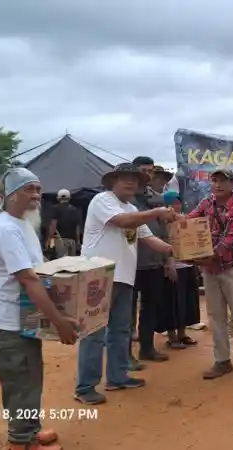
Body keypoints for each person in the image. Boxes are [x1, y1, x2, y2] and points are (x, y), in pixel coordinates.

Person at [0, 168, 78, 450]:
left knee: (30, 376)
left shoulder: (23, 223)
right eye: (29, 189)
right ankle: (20, 441)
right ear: (10, 195)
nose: (36, 195)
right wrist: (58, 321)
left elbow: (39, 271)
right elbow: (28, 278)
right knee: (19, 380)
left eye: (38, 189)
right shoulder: (6, 228)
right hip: (6, 320)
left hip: (23, 315)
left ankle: (30, 431)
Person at [74, 163, 178, 405]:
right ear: (113, 181)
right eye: (124, 178)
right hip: (97, 275)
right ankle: (85, 387)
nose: (130, 183)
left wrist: (183, 248)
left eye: (135, 179)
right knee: (93, 333)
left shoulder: (132, 208)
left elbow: (150, 240)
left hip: (124, 277)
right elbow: (122, 221)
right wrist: (156, 213)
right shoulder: (103, 200)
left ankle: (117, 376)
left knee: (120, 330)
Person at [184, 167, 233, 380]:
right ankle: (222, 361)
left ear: (232, 184)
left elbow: (230, 239)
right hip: (209, 269)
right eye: (214, 181)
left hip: (231, 267)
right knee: (216, 317)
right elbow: (190, 220)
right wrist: (175, 220)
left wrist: (206, 256)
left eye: (223, 181)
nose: (218, 185)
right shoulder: (206, 203)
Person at [132, 165, 175, 362]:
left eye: (151, 172)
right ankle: (125, 356)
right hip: (130, 264)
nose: (148, 175)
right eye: (144, 170)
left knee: (150, 308)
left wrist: (169, 259)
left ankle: (147, 348)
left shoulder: (156, 198)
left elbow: (164, 228)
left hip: (154, 262)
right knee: (126, 310)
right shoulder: (125, 197)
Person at [161, 190, 200, 349]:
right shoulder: (162, 222)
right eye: (173, 203)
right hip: (173, 266)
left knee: (187, 301)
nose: (177, 206)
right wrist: (167, 263)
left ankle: (183, 334)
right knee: (172, 301)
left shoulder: (186, 219)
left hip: (188, 265)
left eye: (178, 202)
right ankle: (172, 336)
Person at [44, 189, 82, 258]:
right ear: (69, 198)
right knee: (71, 263)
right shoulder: (74, 209)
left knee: (62, 262)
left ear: (58, 198)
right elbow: (77, 228)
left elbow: (53, 226)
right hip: (72, 241)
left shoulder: (55, 209)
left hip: (60, 241)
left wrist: (49, 240)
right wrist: (78, 241)